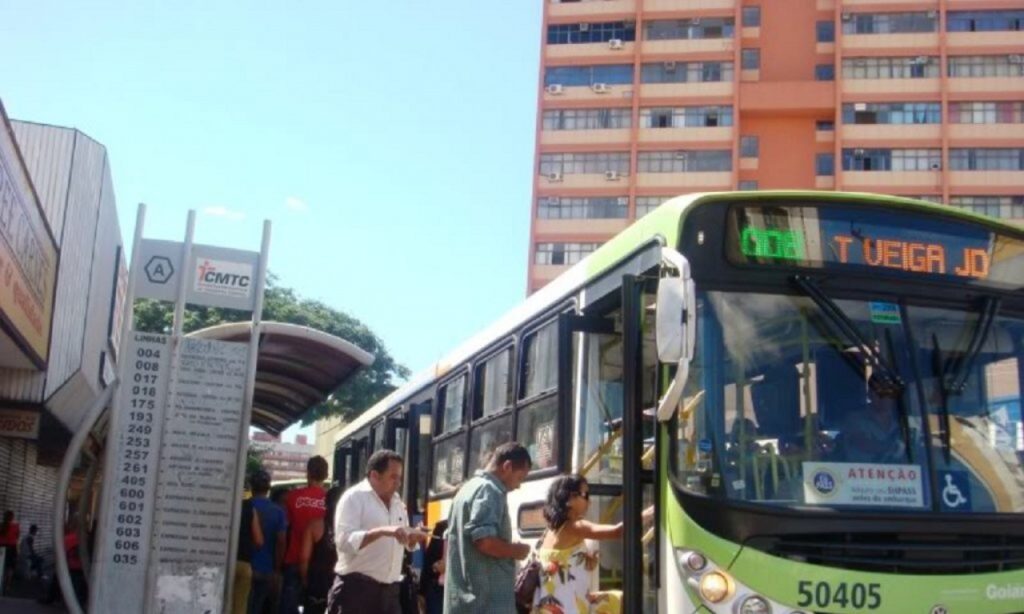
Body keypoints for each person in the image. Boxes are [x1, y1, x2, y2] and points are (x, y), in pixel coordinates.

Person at [531, 474, 654, 614]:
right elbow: (617, 531)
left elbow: (562, 566)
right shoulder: (575, 526)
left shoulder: (550, 530)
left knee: (615, 599)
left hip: (549, 607)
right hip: (568, 608)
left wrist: (585, 562)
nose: (589, 502)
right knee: (621, 600)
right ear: (570, 499)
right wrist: (649, 514)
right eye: (586, 495)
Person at [326, 450, 427, 614]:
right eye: (393, 477)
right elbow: (344, 542)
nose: (398, 483)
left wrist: (412, 538)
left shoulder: (397, 503)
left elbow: (401, 540)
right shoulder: (353, 498)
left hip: (390, 593)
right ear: (374, 475)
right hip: (357, 591)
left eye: (400, 478)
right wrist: (383, 531)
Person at [443, 442, 533, 614]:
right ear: (507, 467)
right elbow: (484, 541)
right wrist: (516, 550)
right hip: (486, 603)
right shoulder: (490, 490)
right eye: (520, 478)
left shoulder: (468, 488)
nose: (518, 485)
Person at [280, 456, 329, 614]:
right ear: (326, 475)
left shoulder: (292, 497)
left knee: (289, 607)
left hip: (294, 559)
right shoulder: (330, 500)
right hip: (320, 565)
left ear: (307, 473)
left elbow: (284, 529)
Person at [249, 470, 287, 614]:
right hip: (268, 569)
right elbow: (281, 542)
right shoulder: (278, 511)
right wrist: (277, 570)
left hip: (246, 567)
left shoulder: (244, 507)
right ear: (268, 488)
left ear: (251, 486)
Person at [299, 486, 341, 614]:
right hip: (339, 581)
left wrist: (305, 579)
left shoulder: (314, 525)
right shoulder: (350, 528)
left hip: (317, 580)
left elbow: (304, 558)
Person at [233, 497, 264, 614]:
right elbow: (259, 540)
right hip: (243, 563)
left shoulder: (220, 504)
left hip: (222, 563)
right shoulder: (249, 507)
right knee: (239, 606)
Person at [418, 520, 448, 614]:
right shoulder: (442, 526)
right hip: (438, 590)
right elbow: (429, 559)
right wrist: (422, 592)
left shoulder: (476, 529)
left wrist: (450, 567)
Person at [0, 511, 18, 595]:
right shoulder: (15, 526)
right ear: (12, 517)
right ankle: (7, 585)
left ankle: (1, 582)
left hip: (1, 546)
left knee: (1, 566)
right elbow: (17, 537)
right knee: (10, 567)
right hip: (11, 548)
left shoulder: (1, 525)